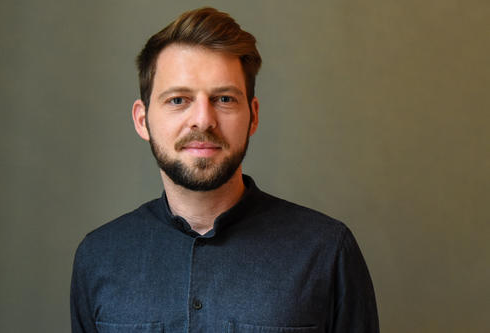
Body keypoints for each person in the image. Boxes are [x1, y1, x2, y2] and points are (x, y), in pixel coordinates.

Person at [70, 7, 379, 333]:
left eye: (224, 99)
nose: (203, 119)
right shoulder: (98, 257)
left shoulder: (328, 251)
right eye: (178, 100)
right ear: (142, 119)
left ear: (253, 115)